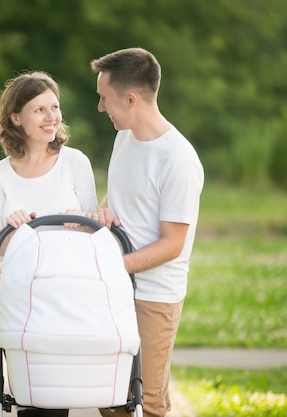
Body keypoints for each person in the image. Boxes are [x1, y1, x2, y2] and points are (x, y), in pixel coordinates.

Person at [87, 48, 204, 417]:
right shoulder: (125, 138)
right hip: (116, 286)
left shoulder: (178, 160)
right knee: (109, 397)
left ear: (131, 98)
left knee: (145, 403)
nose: (101, 108)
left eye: (104, 98)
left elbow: (173, 244)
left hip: (154, 296)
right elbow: (121, 197)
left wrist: (115, 266)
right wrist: (101, 212)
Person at [0, 71, 99, 417]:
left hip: (68, 294)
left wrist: (79, 221)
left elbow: (97, 234)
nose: (52, 118)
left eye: (55, 107)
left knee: (56, 395)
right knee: (29, 396)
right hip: (22, 298)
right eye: (40, 110)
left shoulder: (76, 163)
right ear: (15, 117)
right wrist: (9, 228)